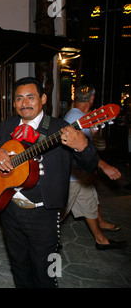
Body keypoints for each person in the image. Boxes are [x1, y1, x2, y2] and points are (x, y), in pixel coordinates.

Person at [0, 77, 99, 288]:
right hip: (10, 208)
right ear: (13, 103)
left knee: (47, 270)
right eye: (19, 98)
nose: (25, 103)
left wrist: (83, 146)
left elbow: (89, 166)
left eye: (31, 97)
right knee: (18, 265)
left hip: (44, 212)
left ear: (43, 99)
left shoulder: (61, 128)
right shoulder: (8, 125)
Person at [63, 84, 126, 250]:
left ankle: (100, 239)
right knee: (57, 214)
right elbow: (80, 151)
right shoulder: (75, 119)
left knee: (90, 202)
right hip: (72, 177)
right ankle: (44, 240)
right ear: (91, 99)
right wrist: (104, 166)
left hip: (80, 175)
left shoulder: (78, 116)